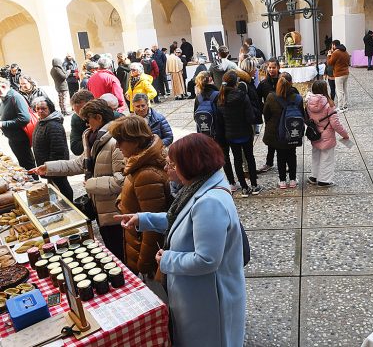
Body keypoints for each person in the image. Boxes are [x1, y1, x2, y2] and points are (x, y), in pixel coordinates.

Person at [115, 133, 246, 346]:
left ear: (192, 165)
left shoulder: (209, 202)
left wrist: (167, 260)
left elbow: (207, 260)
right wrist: (143, 218)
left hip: (209, 301)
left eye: (172, 164)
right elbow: (179, 219)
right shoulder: (200, 186)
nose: (167, 169)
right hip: (199, 294)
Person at [30, 99, 125, 259]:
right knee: (112, 249)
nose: (86, 125)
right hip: (101, 209)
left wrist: (91, 184)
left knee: (119, 252)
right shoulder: (94, 138)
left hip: (114, 212)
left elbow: (120, 181)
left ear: (99, 118)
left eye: (88, 120)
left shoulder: (115, 143)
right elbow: (79, 163)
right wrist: (49, 168)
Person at [109, 116, 171, 278]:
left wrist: (143, 264)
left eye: (120, 140)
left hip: (148, 258)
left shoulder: (146, 174)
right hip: (137, 246)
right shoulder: (138, 163)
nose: (116, 145)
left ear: (135, 141)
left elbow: (153, 228)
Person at [217, 71, 261, 197]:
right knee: (250, 158)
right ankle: (254, 185)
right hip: (245, 133)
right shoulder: (242, 96)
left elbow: (220, 119)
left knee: (237, 159)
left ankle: (244, 187)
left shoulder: (221, 98)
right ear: (236, 82)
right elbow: (250, 117)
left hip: (231, 135)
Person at [263, 72, 304, 189]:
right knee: (292, 154)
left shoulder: (271, 97)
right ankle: (292, 180)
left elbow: (266, 114)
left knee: (280, 155)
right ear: (291, 83)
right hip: (292, 131)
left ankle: (282, 181)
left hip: (276, 133)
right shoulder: (297, 98)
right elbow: (302, 114)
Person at [306, 80, 350, 187]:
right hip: (327, 135)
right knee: (327, 158)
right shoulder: (328, 104)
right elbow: (335, 123)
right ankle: (324, 180)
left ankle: (314, 176)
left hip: (314, 134)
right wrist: (345, 135)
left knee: (316, 155)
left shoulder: (308, 102)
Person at [32, 98, 73, 201]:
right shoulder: (42, 122)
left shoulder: (53, 125)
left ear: (50, 109)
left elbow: (58, 150)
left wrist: (50, 168)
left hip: (54, 165)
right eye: (38, 109)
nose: (40, 111)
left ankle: (70, 207)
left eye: (43, 108)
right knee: (54, 186)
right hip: (47, 166)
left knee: (62, 185)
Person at [0, 77, 36, 171]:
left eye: (2, 87)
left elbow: (24, 118)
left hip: (20, 138)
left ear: (6, 86)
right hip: (13, 138)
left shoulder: (15, 97)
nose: (0, 90)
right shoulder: (4, 98)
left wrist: (3, 124)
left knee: (28, 166)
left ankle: (35, 184)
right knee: (23, 165)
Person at [256, 58, 280, 173]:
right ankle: (269, 162)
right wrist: (264, 110)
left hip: (282, 114)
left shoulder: (283, 79)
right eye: (269, 67)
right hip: (269, 116)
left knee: (282, 137)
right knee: (271, 138)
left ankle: (283, 161)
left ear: (278, 68)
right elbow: (257, 98)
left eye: (273, 67)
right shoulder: (264, 83)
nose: (271, 70)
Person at [327, 39, 350, 109]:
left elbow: (329, 63)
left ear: (334, 45)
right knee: (345, 89)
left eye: (332, 45)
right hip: (346, 73)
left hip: (339, 74)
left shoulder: (336, 53)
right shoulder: (345, 51)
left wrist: (329, 55)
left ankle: (340, 107)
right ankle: (345, 105)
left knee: (339, 91)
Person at [69, 89, 94, 156]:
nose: (83, 118)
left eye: (85, 112)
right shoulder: (76, 119)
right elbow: (75, 148)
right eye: (78, 114)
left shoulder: (111, 117)